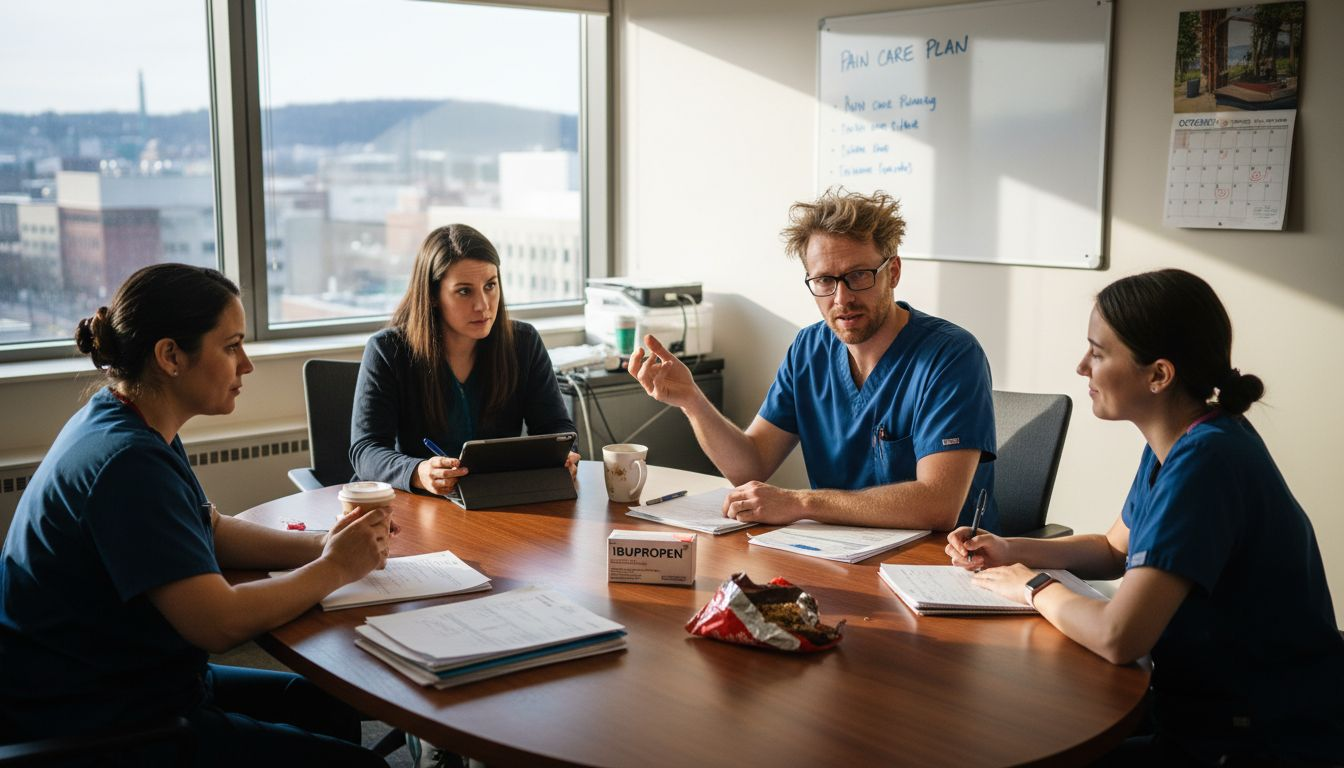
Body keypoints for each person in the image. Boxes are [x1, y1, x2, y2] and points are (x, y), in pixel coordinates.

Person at [0, 264, 393, 766]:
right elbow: (218, 623)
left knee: (326, 708)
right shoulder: (128, 462)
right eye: (231, 346)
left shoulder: (129, 417)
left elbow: (212, 530)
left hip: (128, 677)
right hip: (99, 716)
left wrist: (328, 543)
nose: (246, 364)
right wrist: (336, 567)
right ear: (170, 356)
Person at [947, 269, 1344, 765]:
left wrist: (1032, 585)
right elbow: (1115, 549)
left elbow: (1119, 636)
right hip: (1203, 713)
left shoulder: (1206, 462)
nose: (1080, 367)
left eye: (1097, 352)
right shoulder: (1185, 437)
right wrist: (1010, 549)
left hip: (1259, 738)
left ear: (1158, 374)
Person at [629, 189, 996, 531]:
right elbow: (751, 465)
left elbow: (939, 504)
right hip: (837, 555)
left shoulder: (950, 356)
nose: (841, 298)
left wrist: (801, 502)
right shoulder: (809, 348)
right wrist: (691, 401)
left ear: (893, 272)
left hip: (937, 566)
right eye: (824, 281)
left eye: (858, 276)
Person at [351, 224, 578, 497]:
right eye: (464, 291)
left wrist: (566, 454)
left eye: (490, 286)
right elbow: (366, 451)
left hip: (499, 501)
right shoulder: (387, 351)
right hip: (417, 507)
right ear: (433, 295)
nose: (483, 305)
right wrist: (418, 472)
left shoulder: (523, 342)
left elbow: (556, 428)